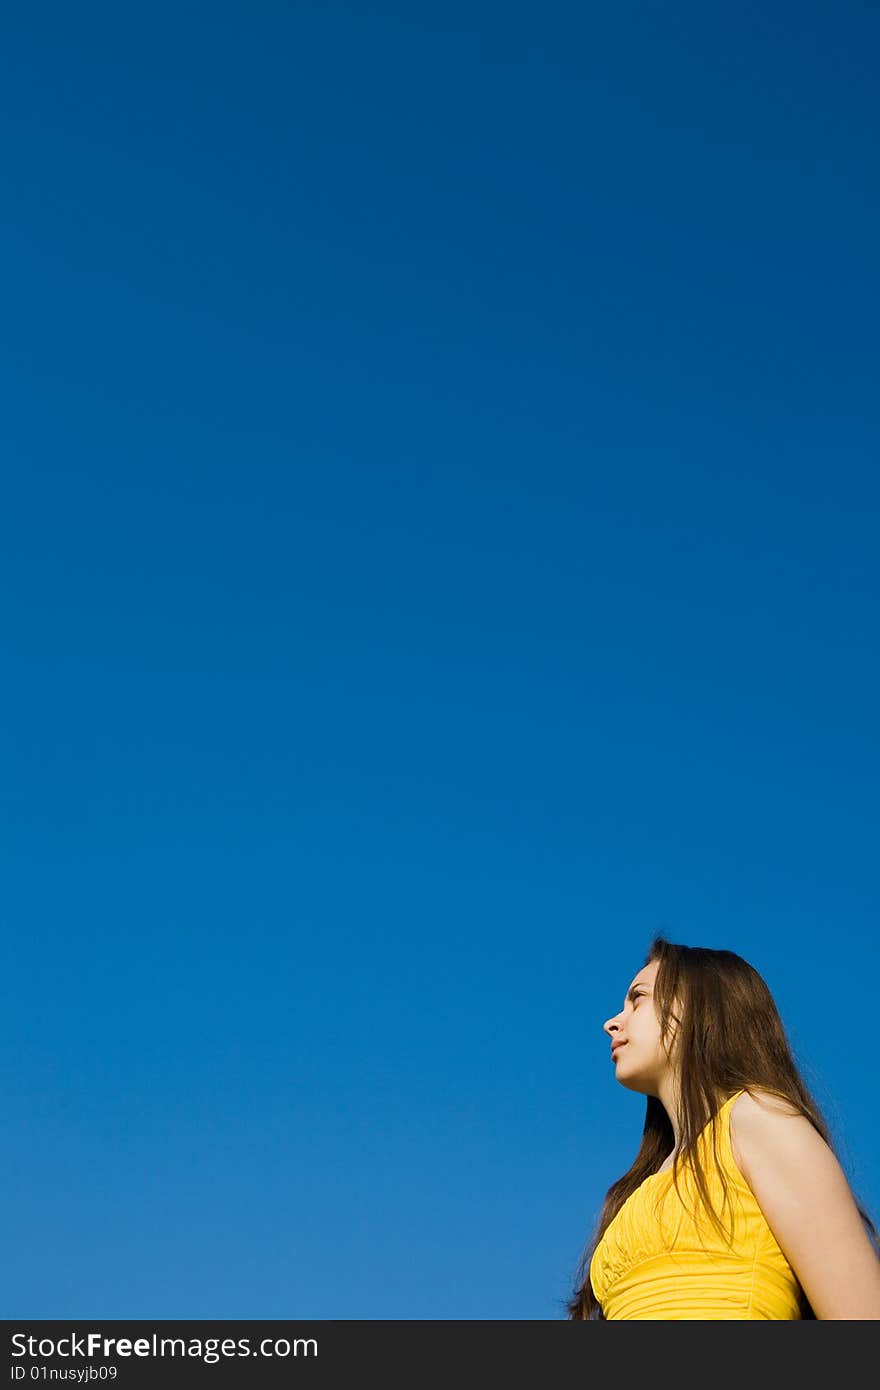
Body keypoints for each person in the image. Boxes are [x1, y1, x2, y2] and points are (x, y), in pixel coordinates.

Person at [565, 934, 880, 1319]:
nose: (612, 1023)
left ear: (699, 1009)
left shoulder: (758, 1119)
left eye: (638, 999)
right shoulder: (640, 1188)